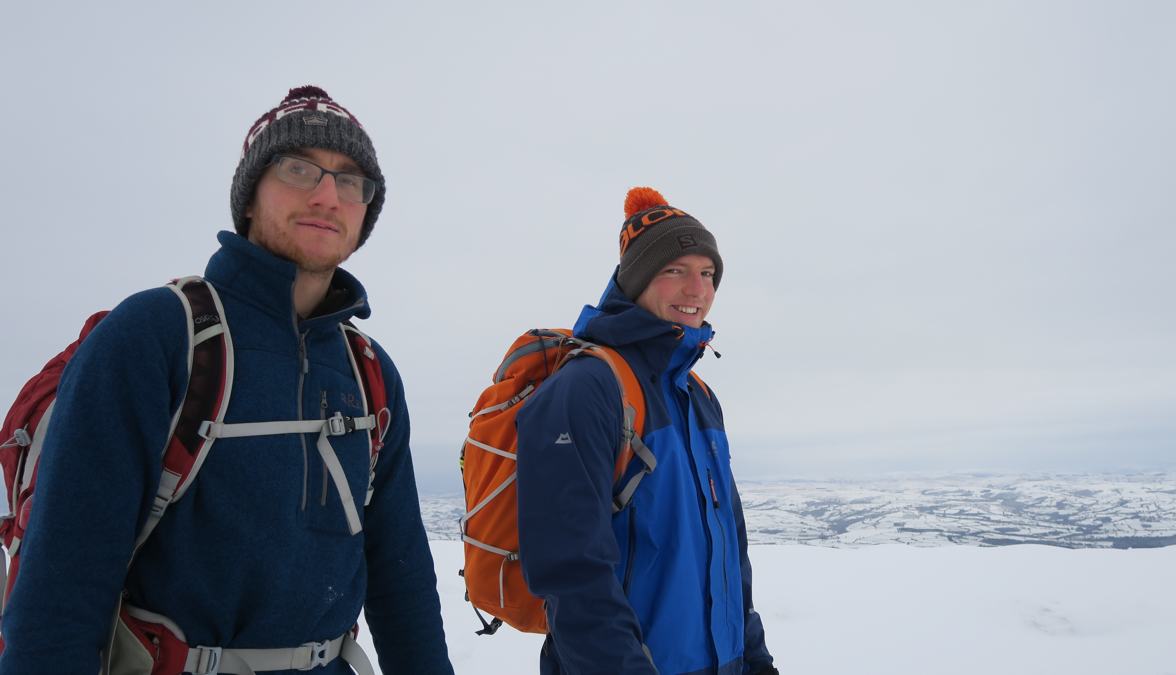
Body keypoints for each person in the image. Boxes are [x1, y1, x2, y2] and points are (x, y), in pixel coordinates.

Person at [0, 86, 454, 674]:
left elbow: (402, 578)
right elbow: (57, 601)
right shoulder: (157, 336)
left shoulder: (369, 373)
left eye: (351, 181)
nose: (327, 195)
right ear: (249, 194)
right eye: (299, 168)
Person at [515, 187, 777, 675]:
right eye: (674, 270)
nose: (696, 290)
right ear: (636, 282)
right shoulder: (587, 388)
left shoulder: (697, 397)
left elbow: (729, 552)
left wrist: (755, 660)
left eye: (707, 273)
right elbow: (571, 573)